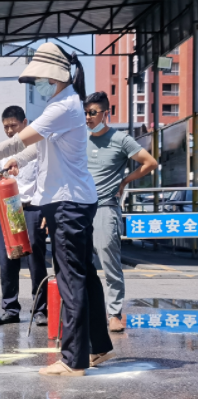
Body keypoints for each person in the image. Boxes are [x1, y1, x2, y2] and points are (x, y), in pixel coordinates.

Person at [0, 42, 114, 376]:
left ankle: (73, 360)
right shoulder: (61, 104)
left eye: (38, 77)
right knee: (85, 277)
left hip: (67, 203)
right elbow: (35, 148)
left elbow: (18, 140)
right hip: (74, 200)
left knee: (71, 280)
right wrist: (15, 161)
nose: (35, 83)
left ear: (52, 76)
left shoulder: (63, 106)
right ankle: (97, 347)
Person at [84, 91, 158, 332]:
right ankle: (83, 309)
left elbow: (150, 162)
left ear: (106, 113)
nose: (88, 118)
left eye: (93, 113)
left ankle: (114, 312)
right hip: (81, 209)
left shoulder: (121, 139)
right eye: (86, 113)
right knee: (79, 262)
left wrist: (124, 181)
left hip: (106, 209)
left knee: (109, 262)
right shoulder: (81, 139)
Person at [0, 106, 48, 327]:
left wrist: (47, 214)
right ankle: (10, 309)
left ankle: (40, 309)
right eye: (6, 127)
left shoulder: (38, 148)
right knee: (7, 262)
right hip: (9, 211)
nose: (10, 130)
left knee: (35, 261)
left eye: (14, 125)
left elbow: (46, 182)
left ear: (25, 122)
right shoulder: (2, 151)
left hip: (32, 208)